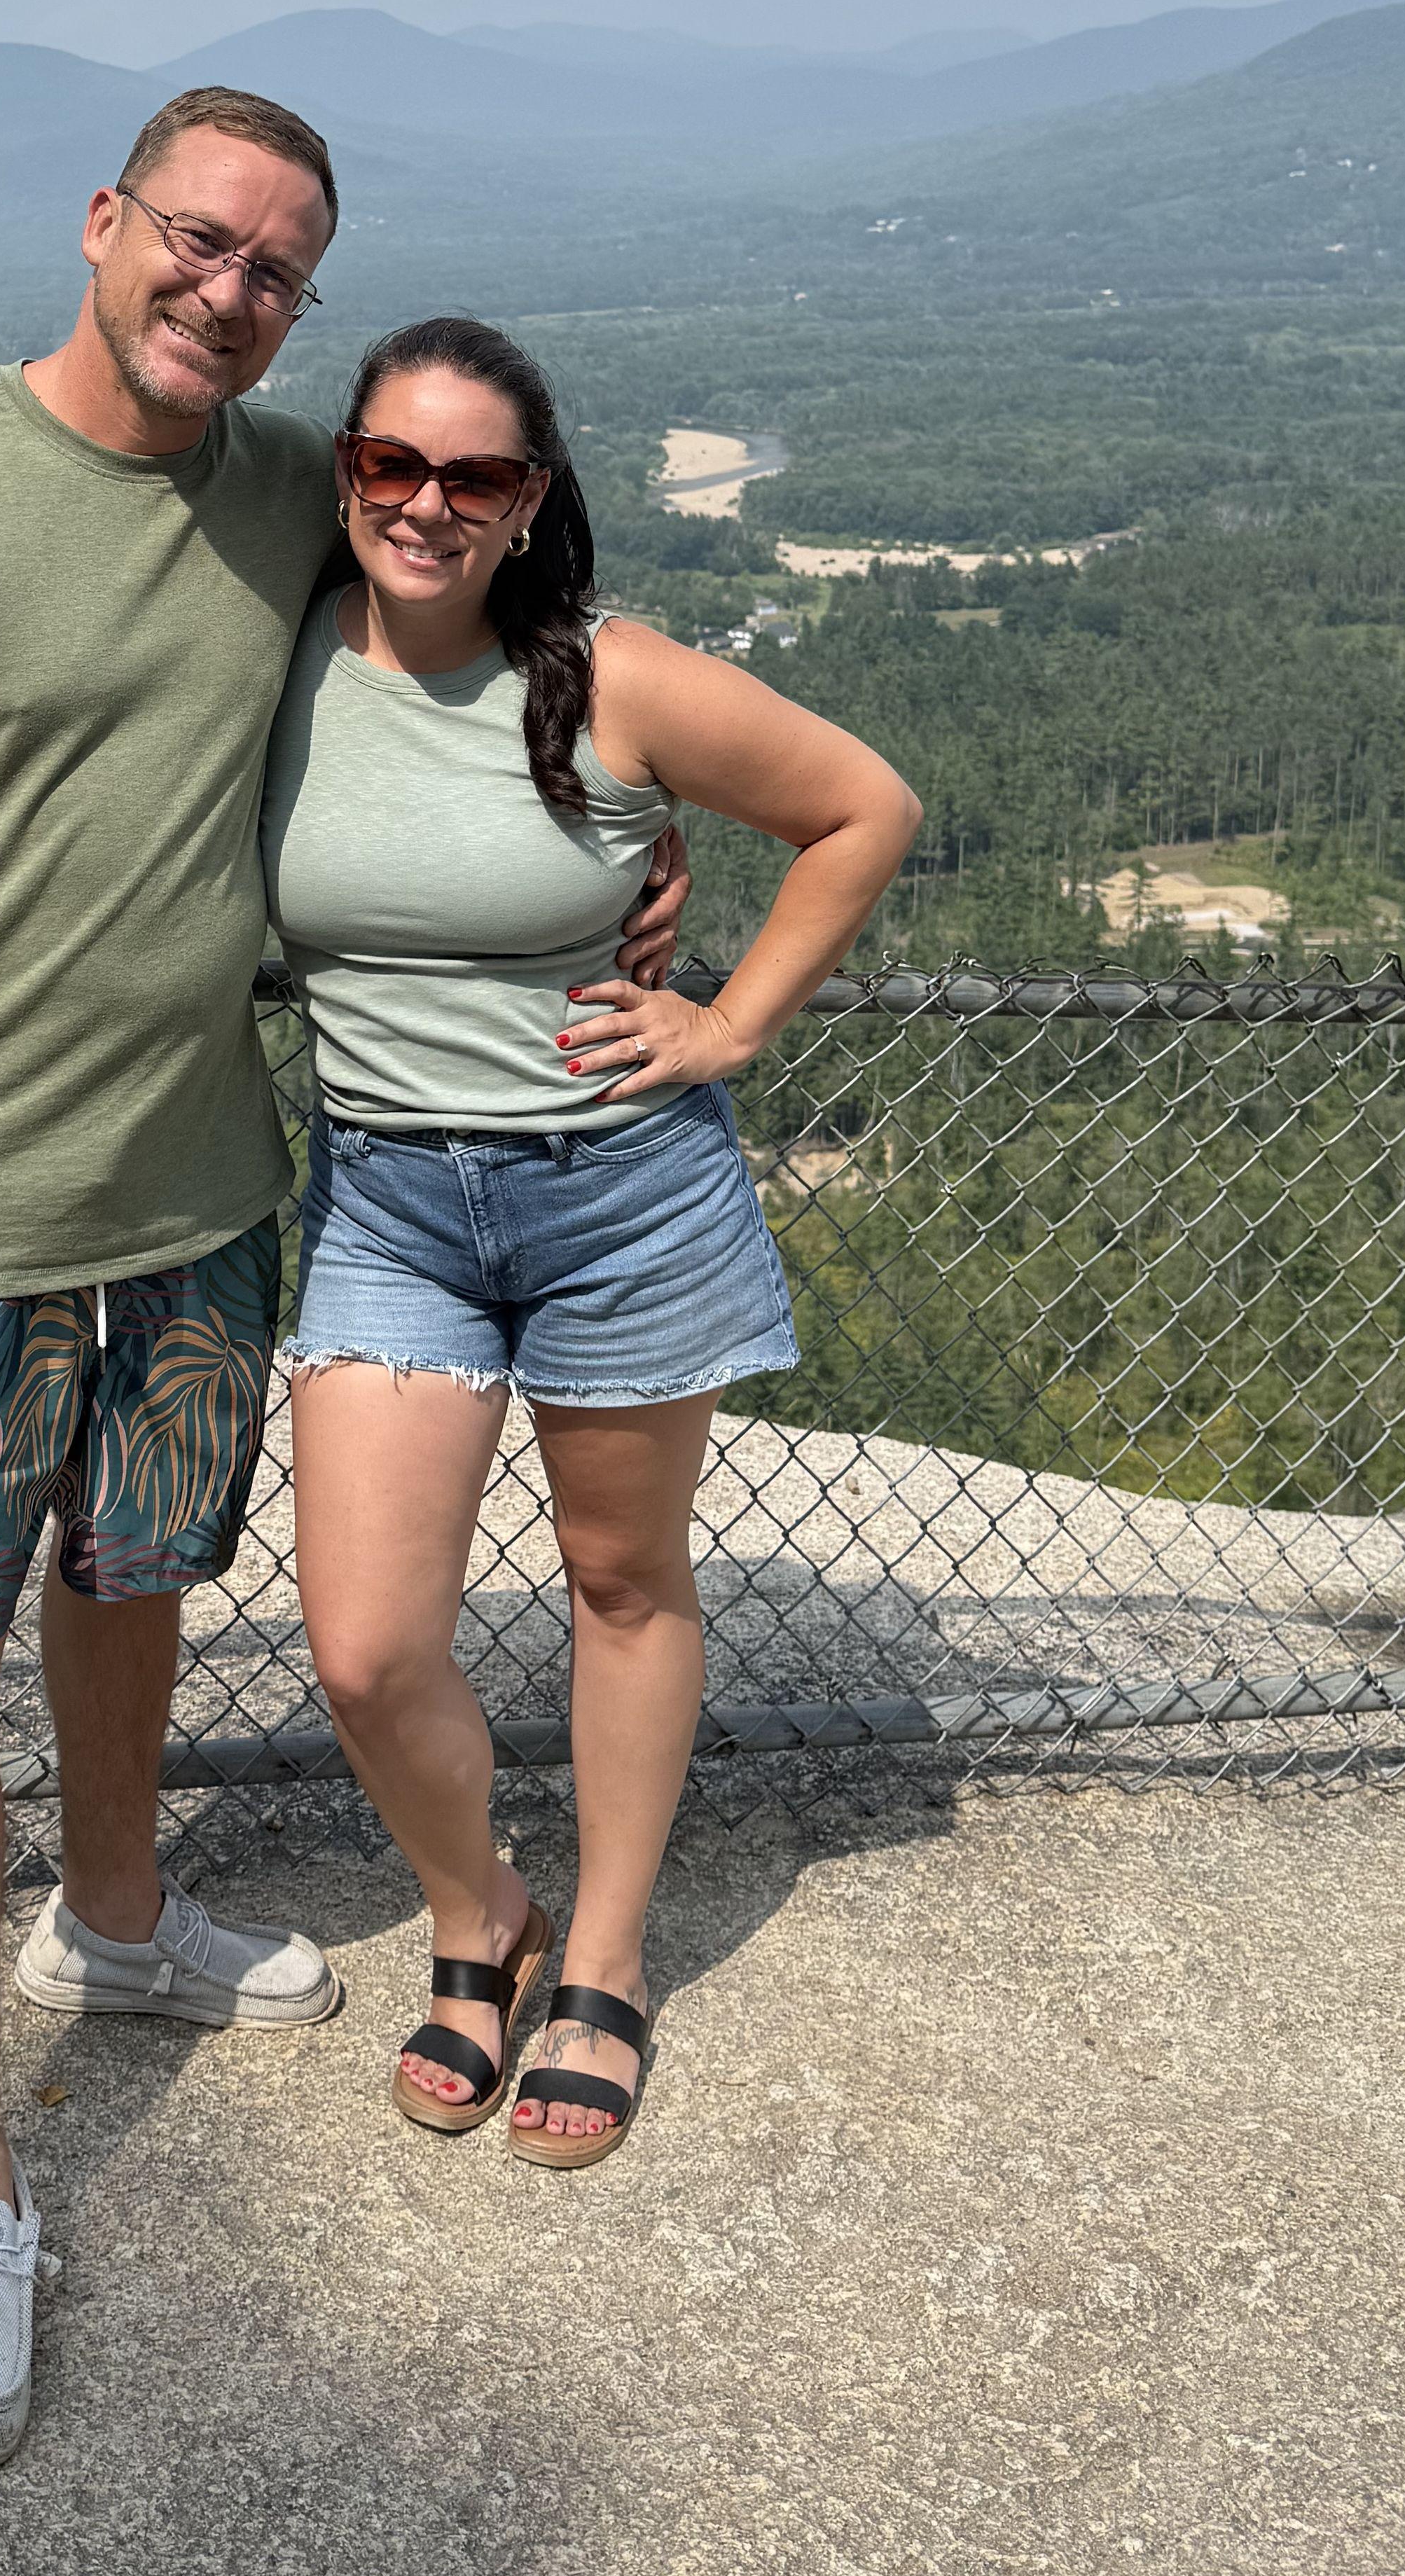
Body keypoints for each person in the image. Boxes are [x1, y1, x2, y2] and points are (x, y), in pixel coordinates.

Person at [0, 104, 684, 2467]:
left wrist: (629, 874)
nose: (228, 289)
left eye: (277, 268)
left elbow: (483, 670)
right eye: (197, 239)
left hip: (202, 1206)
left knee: (133, 1579)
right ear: (102, 228)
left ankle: (123, 1917)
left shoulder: (295, 493)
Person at [263, 314, 920, 2171]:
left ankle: (606, 1955)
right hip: (391, 1196)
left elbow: (863, 806)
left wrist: (731, 1027)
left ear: (532, 498)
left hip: (620, 1193)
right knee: (370, 1645)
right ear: (346, 473)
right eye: (393, 463)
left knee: (625, 1588)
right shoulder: (278, 662)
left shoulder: (608, 678)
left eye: (476, 475)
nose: (427, 504)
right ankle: (482, 1914)